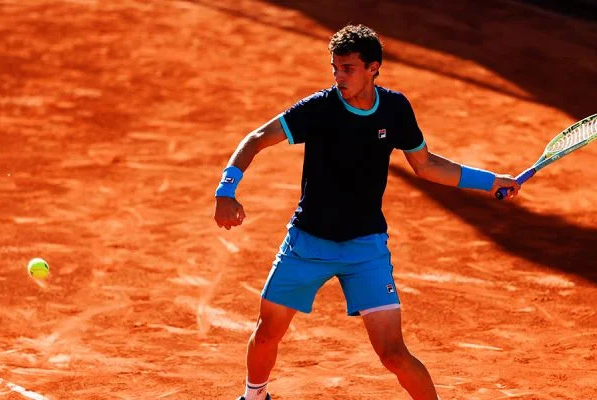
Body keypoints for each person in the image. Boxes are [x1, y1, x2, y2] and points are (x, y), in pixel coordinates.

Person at [214, 24, 520, 400]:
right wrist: (226, 190)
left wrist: (489, 181)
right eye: (335, 68)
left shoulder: (395, 109)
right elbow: (258, 138)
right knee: (266, 333)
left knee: (393, 353)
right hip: (307, 244)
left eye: (348, 68)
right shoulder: (319, 108)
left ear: (373, 68)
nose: (339, 77)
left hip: (365, 249)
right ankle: (254, 396)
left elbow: (425, 165)